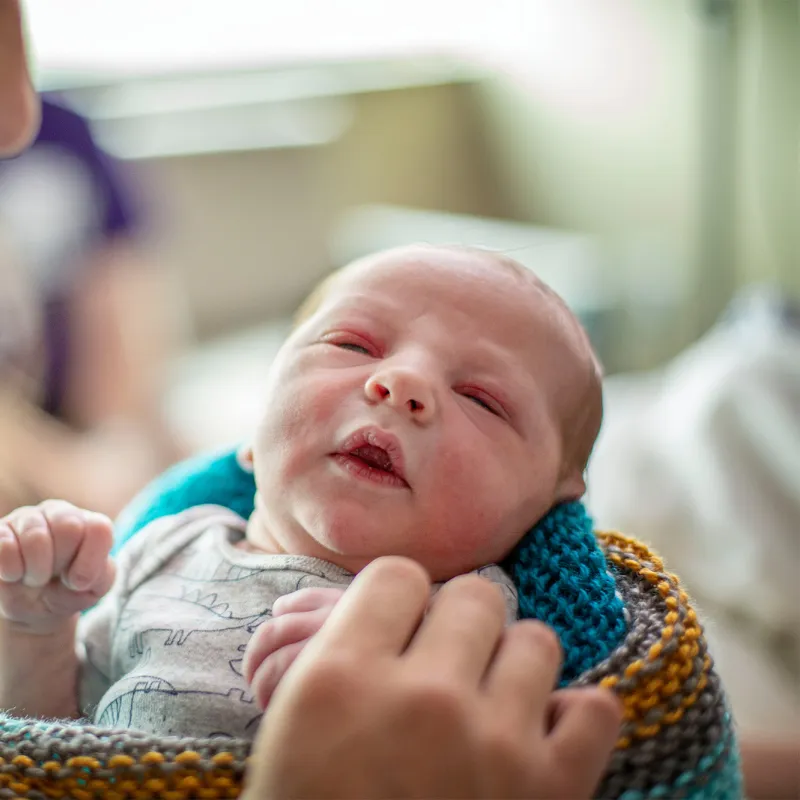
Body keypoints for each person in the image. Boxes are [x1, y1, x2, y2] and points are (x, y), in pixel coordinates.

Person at [1, 244, 604, 734]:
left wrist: (390, 645)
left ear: (545, 505)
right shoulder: (165, 548)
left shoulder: (478, 612)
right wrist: (37, 630)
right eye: (352, 345)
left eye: (482, 400)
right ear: (253, 435)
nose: (402, 381)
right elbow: (54, 734)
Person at [0, 89, 187, 519]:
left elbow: (116, 288)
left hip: (74, 413)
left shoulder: (59, 129)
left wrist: (119, 438)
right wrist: (54, 468)